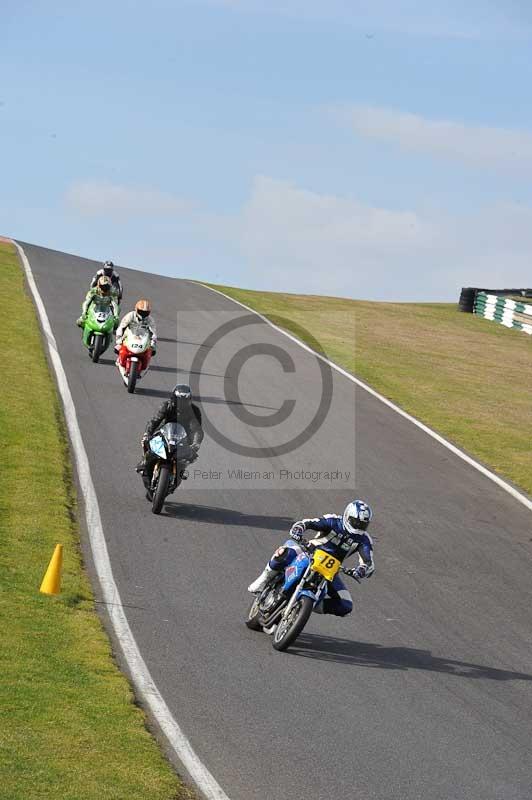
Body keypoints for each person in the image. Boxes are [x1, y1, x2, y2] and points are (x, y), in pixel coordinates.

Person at [248, 500, 374, 618]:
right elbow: (309, 522)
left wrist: (362, 570)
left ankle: (309, 605)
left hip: (330, 570)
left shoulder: (364, 540)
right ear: (347, 516)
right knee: (285, 552)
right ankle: (264, 578)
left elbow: (368, 563)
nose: (359, 527)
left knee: (346, 605)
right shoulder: (333, 521)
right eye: (356, 522)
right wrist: (299, 528)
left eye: (363, 524)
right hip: (309, 552)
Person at [137, 384, 204, 498]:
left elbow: (197, 430)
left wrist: (196, 443)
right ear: (173, 399)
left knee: (186, 460)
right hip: (164, 435)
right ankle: (144, 466)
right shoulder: (166, 406)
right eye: (179, 400)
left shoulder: (194, 411)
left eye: (185, 401)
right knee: (148, 453)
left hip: (183, 439)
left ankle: (178, 475)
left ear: (189, 400)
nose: (181, 404)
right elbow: (155, 421)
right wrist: (147, 433)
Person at [114, 299, 157, 373]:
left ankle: (145, 364)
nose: (143, 314)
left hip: (143, 337)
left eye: (145, 312)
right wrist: (118, 339)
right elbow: (121, 327)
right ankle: (120, 359)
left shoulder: (150, 320)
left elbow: (153, 333)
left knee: (152, 350)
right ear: (136, 310)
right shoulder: (130, 315)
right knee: (118, 347)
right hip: (129, 334)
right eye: (141, 312)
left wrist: (153, 343)